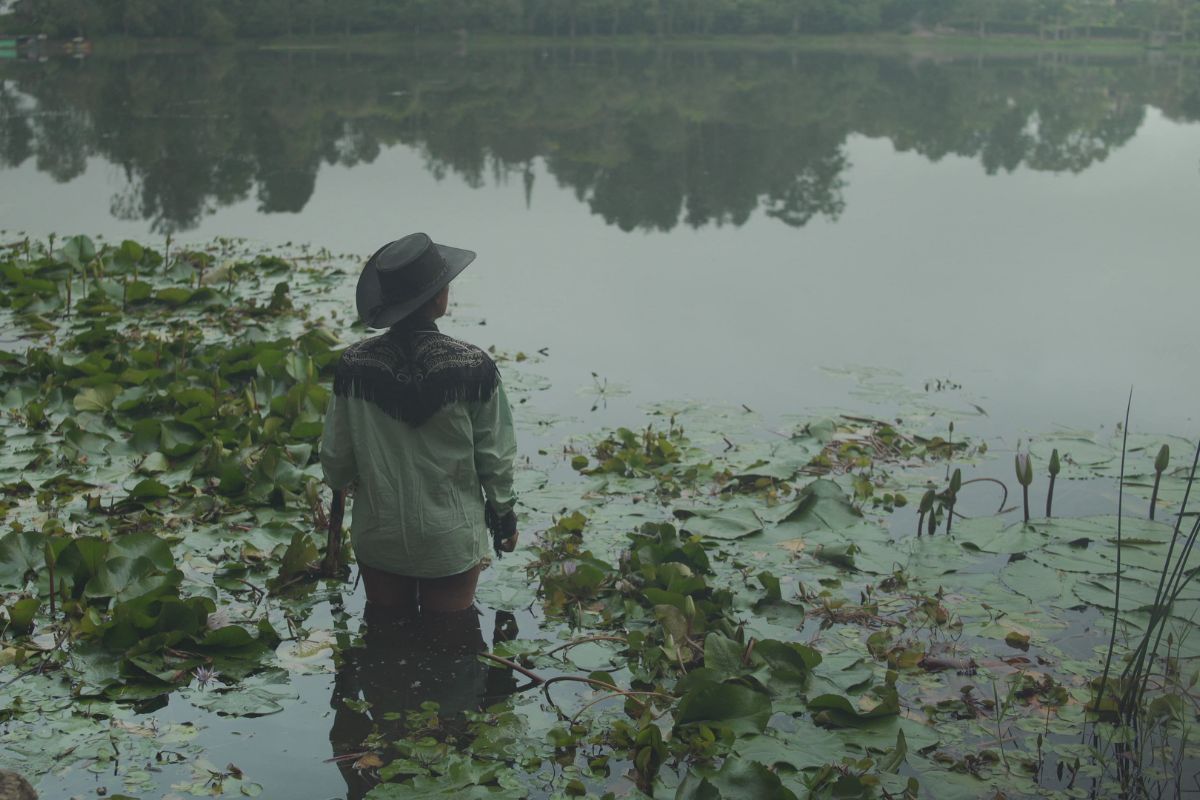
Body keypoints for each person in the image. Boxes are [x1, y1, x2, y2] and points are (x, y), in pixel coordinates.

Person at [319, 232, 518, 616]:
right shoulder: (474, 367)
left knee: (385, 635)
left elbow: (336, 463)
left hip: (381, 536)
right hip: (450, 539)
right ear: (439, 297)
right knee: (451, 641)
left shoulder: (354, 366)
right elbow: (496, 461)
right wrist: (504, 520)